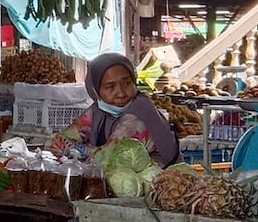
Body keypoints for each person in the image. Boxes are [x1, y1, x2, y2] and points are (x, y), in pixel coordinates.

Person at [51, 53, 180, 167]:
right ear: (96, 90)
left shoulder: (139, 112)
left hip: (158, 184)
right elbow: (59, 141)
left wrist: (82, 150)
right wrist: (85, 151)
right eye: (110, 86)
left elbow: (105, 159)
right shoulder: (99, 110)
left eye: (127, 83)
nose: (121, 93)